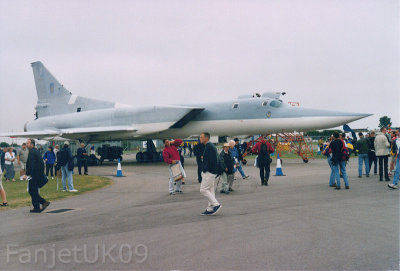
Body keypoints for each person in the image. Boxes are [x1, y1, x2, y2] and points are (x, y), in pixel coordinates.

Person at [199, 132, 222, 215]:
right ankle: (210, 208)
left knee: (203, 190)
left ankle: (216, 204)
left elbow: (212, 161)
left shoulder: (209, 147)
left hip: (209, 172)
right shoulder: (210, 146)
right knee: (210, 190)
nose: (200, 138)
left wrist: (205, 169)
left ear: (206, 138)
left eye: (201, 137)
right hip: (212, 172)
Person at [26, 138, 50, 213]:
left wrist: (28, 174)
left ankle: (43, 202)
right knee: (34, 191)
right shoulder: (35, 151)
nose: (26, 144)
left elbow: (32, 165)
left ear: (32, 144)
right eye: (26, 143)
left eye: (28, 143)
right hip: (37, 174)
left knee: (32, 191)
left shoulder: (32, 152)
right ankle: (36, 207)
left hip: (34, 175)